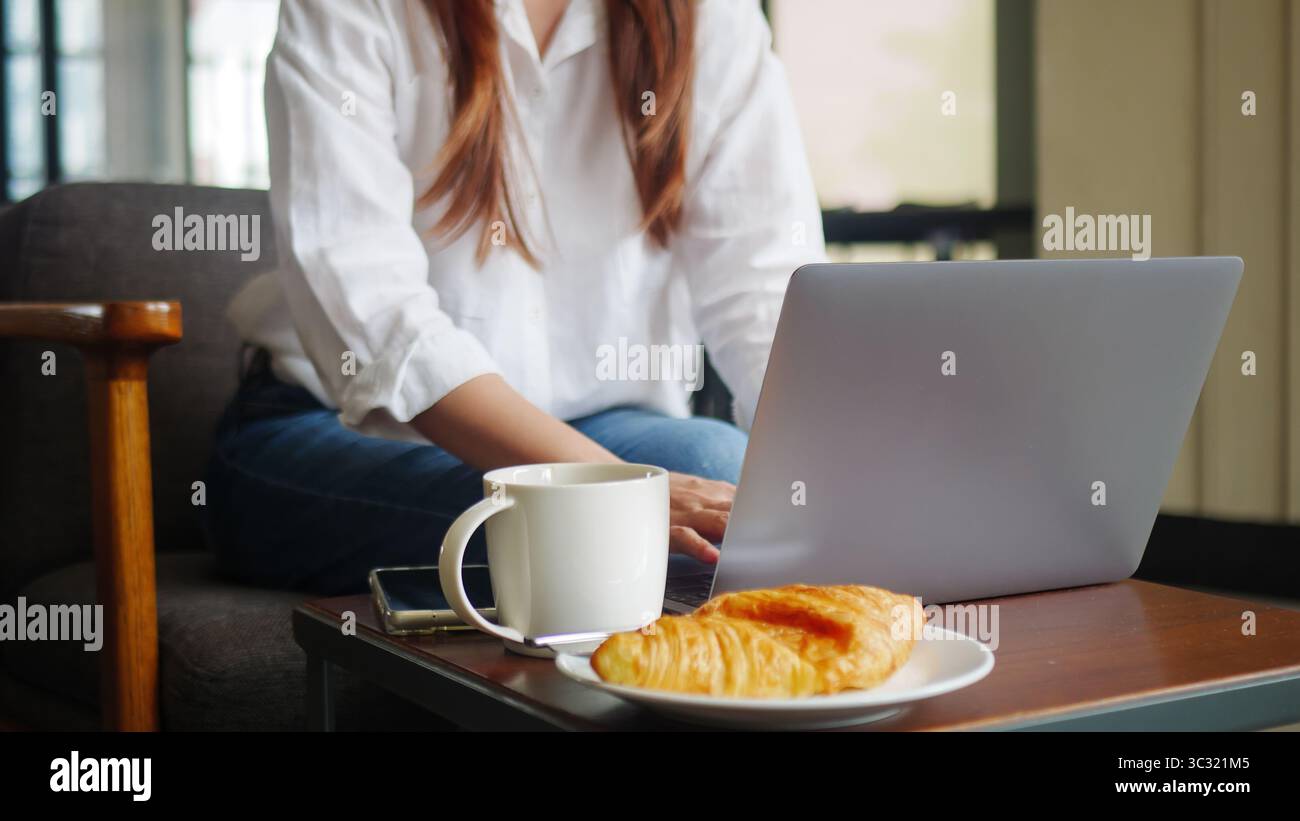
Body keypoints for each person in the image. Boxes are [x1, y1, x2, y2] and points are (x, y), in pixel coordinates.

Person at [203, 0, 825, 594]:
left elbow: (766, 295)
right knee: (621, 539)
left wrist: (829, 496)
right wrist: (613, 494)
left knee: (731, 484)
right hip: (333, 432)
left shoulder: (713, 19)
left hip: (600, 425)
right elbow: (376, 312)